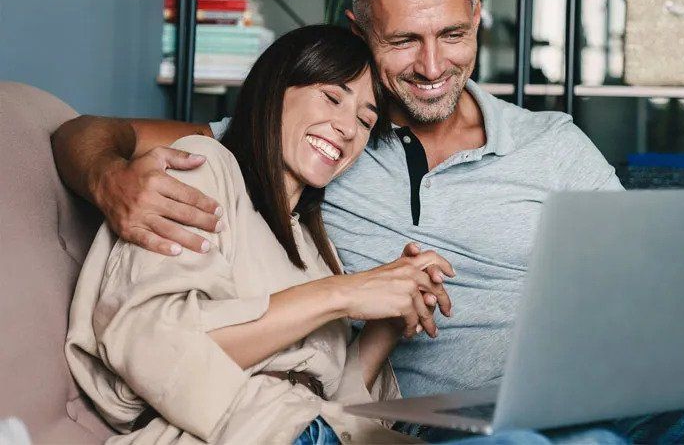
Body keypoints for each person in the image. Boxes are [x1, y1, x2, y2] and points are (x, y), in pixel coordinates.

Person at [54, 0, 684, 444]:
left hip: (622, 396)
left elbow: (672, 294)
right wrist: (109, 178)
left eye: (453, 33)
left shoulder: (553, 145)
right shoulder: (316, 140)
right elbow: (86, 131)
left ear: (478, 15)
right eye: (404, 40)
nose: (434, 66)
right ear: (358, 31)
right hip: (448, 422)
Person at [64, 24, 455, 444]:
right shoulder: (204, 168)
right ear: (276, 89)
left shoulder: (311, 243)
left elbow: (330, 400)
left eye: (364, 120)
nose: (347, 128)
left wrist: (389, 321)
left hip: (307, 427)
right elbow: (153, 347)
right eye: (331, 97)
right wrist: (342, 294)